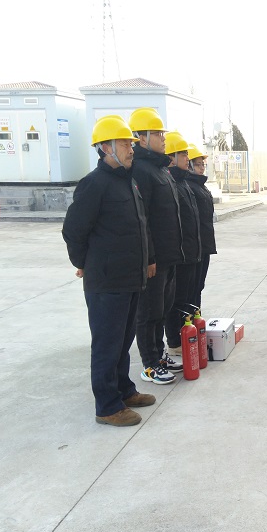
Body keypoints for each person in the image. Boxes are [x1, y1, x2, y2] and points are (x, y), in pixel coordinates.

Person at [62, 115, 156, 426]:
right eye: (125, 143)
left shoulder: (128, 181)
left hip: (129, 278)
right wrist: (83, 263)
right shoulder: (94, 184)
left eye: (131, 143)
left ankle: (124, 391)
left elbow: (140, 226)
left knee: (123, 341)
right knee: (107, 344)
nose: (131, 149)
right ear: (105, 148)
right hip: (106, 281)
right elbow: (73, 230)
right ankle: (107, 406)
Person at [129, 107, 184, 384]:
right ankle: (149, 363)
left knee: (162, 309)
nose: (163, 138)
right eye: (158, 134)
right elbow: (143, 218)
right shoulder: (140, 170)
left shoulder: (160, 169)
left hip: (169, 254)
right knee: (149, 312)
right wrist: (149, 257)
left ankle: (159, 354)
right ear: (142, 138)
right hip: (154, 258)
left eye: (163, 133)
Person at [162, 132, 203, 356]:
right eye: (183, 154)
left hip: (192, 250)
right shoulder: (171, 184)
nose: (188, 158)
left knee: (189, 295)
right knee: (176, 300)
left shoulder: (183, 182)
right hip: (180, 254)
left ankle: (187, 332)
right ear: (171, 157)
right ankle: (175, 341)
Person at [186, 144, 217, 311]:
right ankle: (191, 318)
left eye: (202, 164)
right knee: (192, 287)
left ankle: (196, 316)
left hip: (204, 244)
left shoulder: (200, 185)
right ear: (189, 165)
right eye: (198, 164)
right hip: (196, 246)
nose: (202, 168)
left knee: (199, 286)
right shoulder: (189, 186)